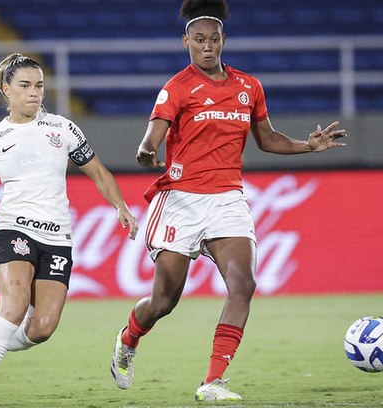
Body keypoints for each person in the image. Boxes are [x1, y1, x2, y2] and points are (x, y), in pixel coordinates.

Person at [110, 0, 347, 402]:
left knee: (244, 283)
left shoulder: (248, 87)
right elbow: (151, 137)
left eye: (214, 40)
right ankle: (129, 337)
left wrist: (308, 146)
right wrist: (147, 152)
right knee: (165, 301)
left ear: (223, 41)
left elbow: (266, 139)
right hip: (181, 200)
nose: (207, 47)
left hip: (227, 199)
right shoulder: (177, 87)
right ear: (185, 41)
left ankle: (213, 380)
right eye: (199, 39)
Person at [0, 53, 138, 408]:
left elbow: (99, 172)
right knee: (16, 304)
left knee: (43, 328)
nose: (34, 93)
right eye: (24, 86)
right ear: (6, 89)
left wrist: (120, 206)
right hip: (12, 231)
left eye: (39, 86)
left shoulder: (63, 129)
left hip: (57, 237)